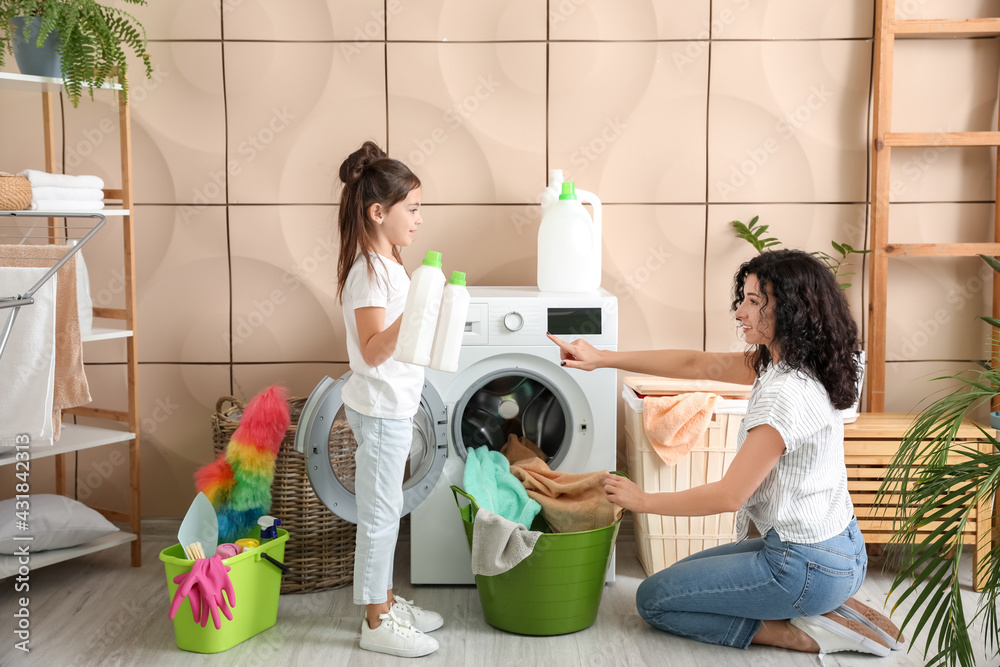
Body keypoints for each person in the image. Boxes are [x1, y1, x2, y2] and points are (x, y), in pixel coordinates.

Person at [548, 249, 904, 657]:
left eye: (754, 302)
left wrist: (642, 500)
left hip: (805, 566)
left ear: (791, 310)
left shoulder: (785, 394)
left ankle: (803, 632)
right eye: (744, 298)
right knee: (677, 579)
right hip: (837, 550)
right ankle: (825, 608)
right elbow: (697, 363)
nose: (740, 312)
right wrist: (602, 359)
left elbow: (729, 495)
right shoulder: (798, 364)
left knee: (654, 601)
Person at [336, 141, 441, 658]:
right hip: (379, 412)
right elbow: (376, 350)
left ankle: (386, 599)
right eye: (413, 208)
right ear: (379, 212)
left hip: (390, 407)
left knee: (386, 508)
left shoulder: (390, 265)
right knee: (380, 516)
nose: (420, 219)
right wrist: (419, 310)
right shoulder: (368, 274)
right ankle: (375, 622)